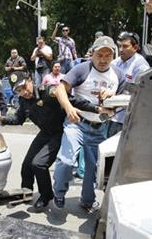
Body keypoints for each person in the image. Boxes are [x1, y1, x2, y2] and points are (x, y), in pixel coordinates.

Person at [52, 36, 125, 212]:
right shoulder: (81, 69)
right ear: (92, 53)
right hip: (76, 124)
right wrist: (69, 108)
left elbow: (119, 104)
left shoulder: (118, 75)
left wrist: (112, 99)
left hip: (100, 128)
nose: (103, 59)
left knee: (93, 169)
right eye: (99, 55)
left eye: (108, 55)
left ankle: (87, 200)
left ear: (113, 56)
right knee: (66, 160)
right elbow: (60, 89)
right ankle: (59, 193)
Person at [0, 73, 65, 210]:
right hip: (45, 133)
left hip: (59, 132)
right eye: (19, 91)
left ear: (30, 80)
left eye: (24, 87)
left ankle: (46, 196)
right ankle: (25, 193)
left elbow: (72, 100)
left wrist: (94, 109)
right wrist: (2, 118)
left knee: (38, 164)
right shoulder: (23, 101)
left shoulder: (47, 91)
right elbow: (18, 119)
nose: (24, 92)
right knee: (27, 164)